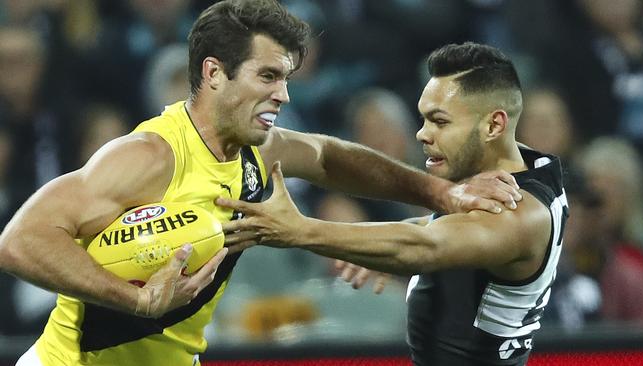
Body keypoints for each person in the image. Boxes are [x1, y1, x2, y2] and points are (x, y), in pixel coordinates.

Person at [0, 1, 521, 365]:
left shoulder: (257, 149)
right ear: (214, 73)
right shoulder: (148, 156)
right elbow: (20, 240)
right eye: (268, 77)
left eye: (287, 79)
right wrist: (130, 298)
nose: (284, 96)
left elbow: (328, 156)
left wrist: (442, 192)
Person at [218, 42, 568, 366]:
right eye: (423, 118)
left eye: (440, 121)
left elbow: (425, 247)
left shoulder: (517, 211)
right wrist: (375, 246)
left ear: (494, 124)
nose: (422, 134)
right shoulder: (518, 170)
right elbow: (439, 234)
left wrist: (300, 230)